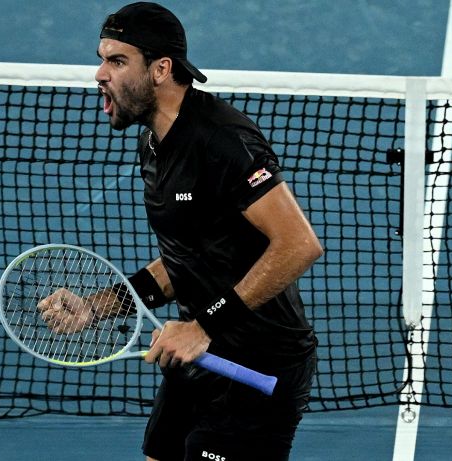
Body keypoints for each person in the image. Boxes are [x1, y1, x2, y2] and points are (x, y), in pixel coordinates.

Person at [94, 3, 323, 460]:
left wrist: (202, 326)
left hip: (258, 364)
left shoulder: (221, 141)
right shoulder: (154, 141)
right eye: (102, 59)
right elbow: (190, 256)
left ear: (161, 69)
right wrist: (96, 307)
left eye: (117, 61)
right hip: (196, 358)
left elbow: (299, 244)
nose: (101, 74)